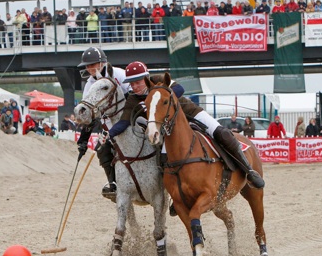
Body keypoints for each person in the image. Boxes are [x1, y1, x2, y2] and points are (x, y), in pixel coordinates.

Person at [106, 61, 265, 190]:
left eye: (138, 82)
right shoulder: (133, 99)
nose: (134, 87)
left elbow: (179, 88)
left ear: (146, 78)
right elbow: (124, 122)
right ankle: (176, 194)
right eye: (131, 84)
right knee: (163, 158)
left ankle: (249, 170)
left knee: (222, 133)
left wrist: (164, 97)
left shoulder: (158, 80)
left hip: (191, 114)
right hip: (170, 128)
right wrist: (108, 134)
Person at [76, 47, 131, 198]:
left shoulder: (120, 74)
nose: (89, 68)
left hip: (129, 116)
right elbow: (89, 112)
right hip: (108, 123)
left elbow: (133, 96)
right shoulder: (89, 84)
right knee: (101, 148)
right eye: (87, 65)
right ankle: (113, 183)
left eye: (92, 64)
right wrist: (83, 139)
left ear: (102, 63)